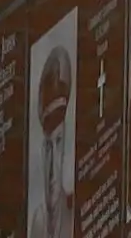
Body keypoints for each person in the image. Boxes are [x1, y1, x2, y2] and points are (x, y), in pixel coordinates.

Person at [28, 37, 76, 238]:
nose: (51, 175)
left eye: (58, 142)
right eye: (48, 147)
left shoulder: (74, 213)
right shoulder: (38, 225)